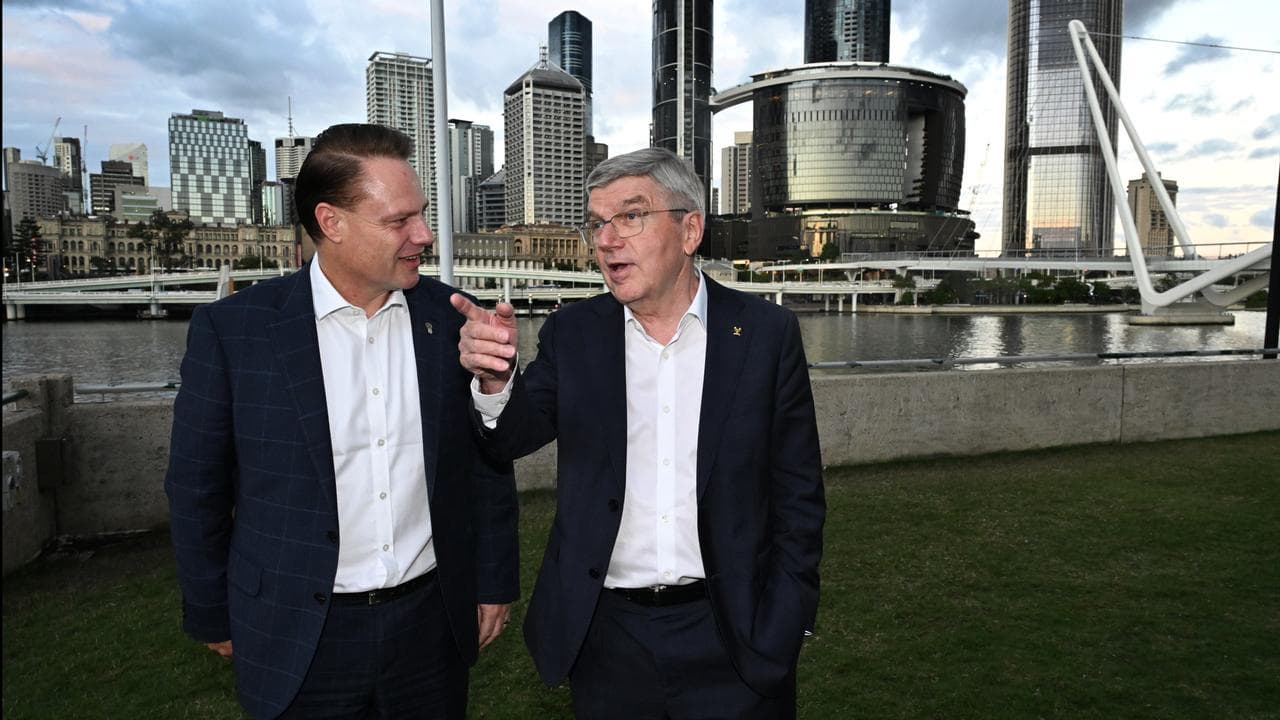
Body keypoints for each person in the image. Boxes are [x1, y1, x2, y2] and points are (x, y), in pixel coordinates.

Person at [451, 147, 825, 718]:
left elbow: (798, 493)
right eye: (597, 223)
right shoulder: (575, 333)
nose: (606, 239)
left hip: (734, 632)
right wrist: (496, 382)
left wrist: (784, 618)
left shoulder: (766, 335)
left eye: (630, 216)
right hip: (607, 640)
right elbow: (508, 437)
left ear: (690, 229)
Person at [165, 123, 519, 720]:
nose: (424, 234)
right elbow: (197, 486)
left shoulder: (451, 319)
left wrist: (493, 580)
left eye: (423, 214)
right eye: (399, 221)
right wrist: (210, 612)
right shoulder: (235, 332)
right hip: (295, 628)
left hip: (430, 626)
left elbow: (484, 465)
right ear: (331, 223)